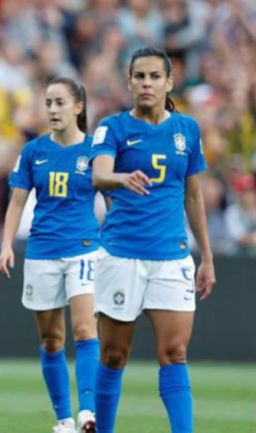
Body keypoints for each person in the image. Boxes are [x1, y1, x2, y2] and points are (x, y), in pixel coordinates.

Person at [90, 46, 215, 433]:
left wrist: (207, 256)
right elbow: (98, 175)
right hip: (121, 256)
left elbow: (193, 195)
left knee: (175, 352)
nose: (146, 83)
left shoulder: (187, 130)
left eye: (154, 76)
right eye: (139, 76)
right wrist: (121, 179)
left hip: (171, 257)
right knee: (113, 356)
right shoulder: (113, 127)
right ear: (129, 82)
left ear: (169, 82)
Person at [0, 77, 100, 433]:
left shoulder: (94, 151)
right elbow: (17, 202)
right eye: (49, 103)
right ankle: (64, 419)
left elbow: (115, 202)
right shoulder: (33, 151)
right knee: (52, 339)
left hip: (84, 248)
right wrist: (7, 243)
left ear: (78, 106)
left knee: (86, 328)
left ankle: (88, 411)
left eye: (60, 103)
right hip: (42, 252)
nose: (53, 110)